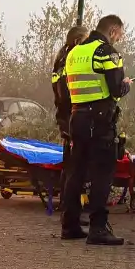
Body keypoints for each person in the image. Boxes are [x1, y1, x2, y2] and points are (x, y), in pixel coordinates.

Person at [61, 14, 131, 245]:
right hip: (100, 121)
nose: (119, 39)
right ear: (112, 30)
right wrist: (126, 86)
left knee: (76, 172)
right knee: (102, 172)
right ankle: (98, 229)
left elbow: (65, 88)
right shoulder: (106, 52)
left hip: (77, 117)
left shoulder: (74, 53)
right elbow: (115, 91)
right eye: (119, 34)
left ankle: (69, 225)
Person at [51, 25, 89, 224]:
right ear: (77, 41)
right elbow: (65, 93)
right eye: (85, 40)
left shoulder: (62, 59)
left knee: (71, 165)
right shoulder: (68, 61)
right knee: (74, 167)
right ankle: (69, 211)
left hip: (66, 118)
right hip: (70, 118)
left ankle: (68, 209)